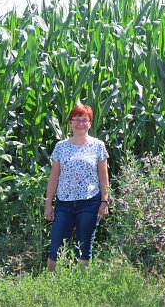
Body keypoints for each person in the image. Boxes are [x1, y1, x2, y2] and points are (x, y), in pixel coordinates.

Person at [44, 104, 110, 272]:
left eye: (85, 120)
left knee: (84, 246)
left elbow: (103, 176)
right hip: (64, 204)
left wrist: (104, 201)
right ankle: (49, 284)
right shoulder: (61, 146)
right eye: (76, 120)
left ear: (90, 123)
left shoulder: (98, 146)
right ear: (70, 122)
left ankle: (82, 284)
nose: (80, 124)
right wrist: (48, 204)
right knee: (56, 246)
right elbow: (54, 177)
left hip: (89, 203)